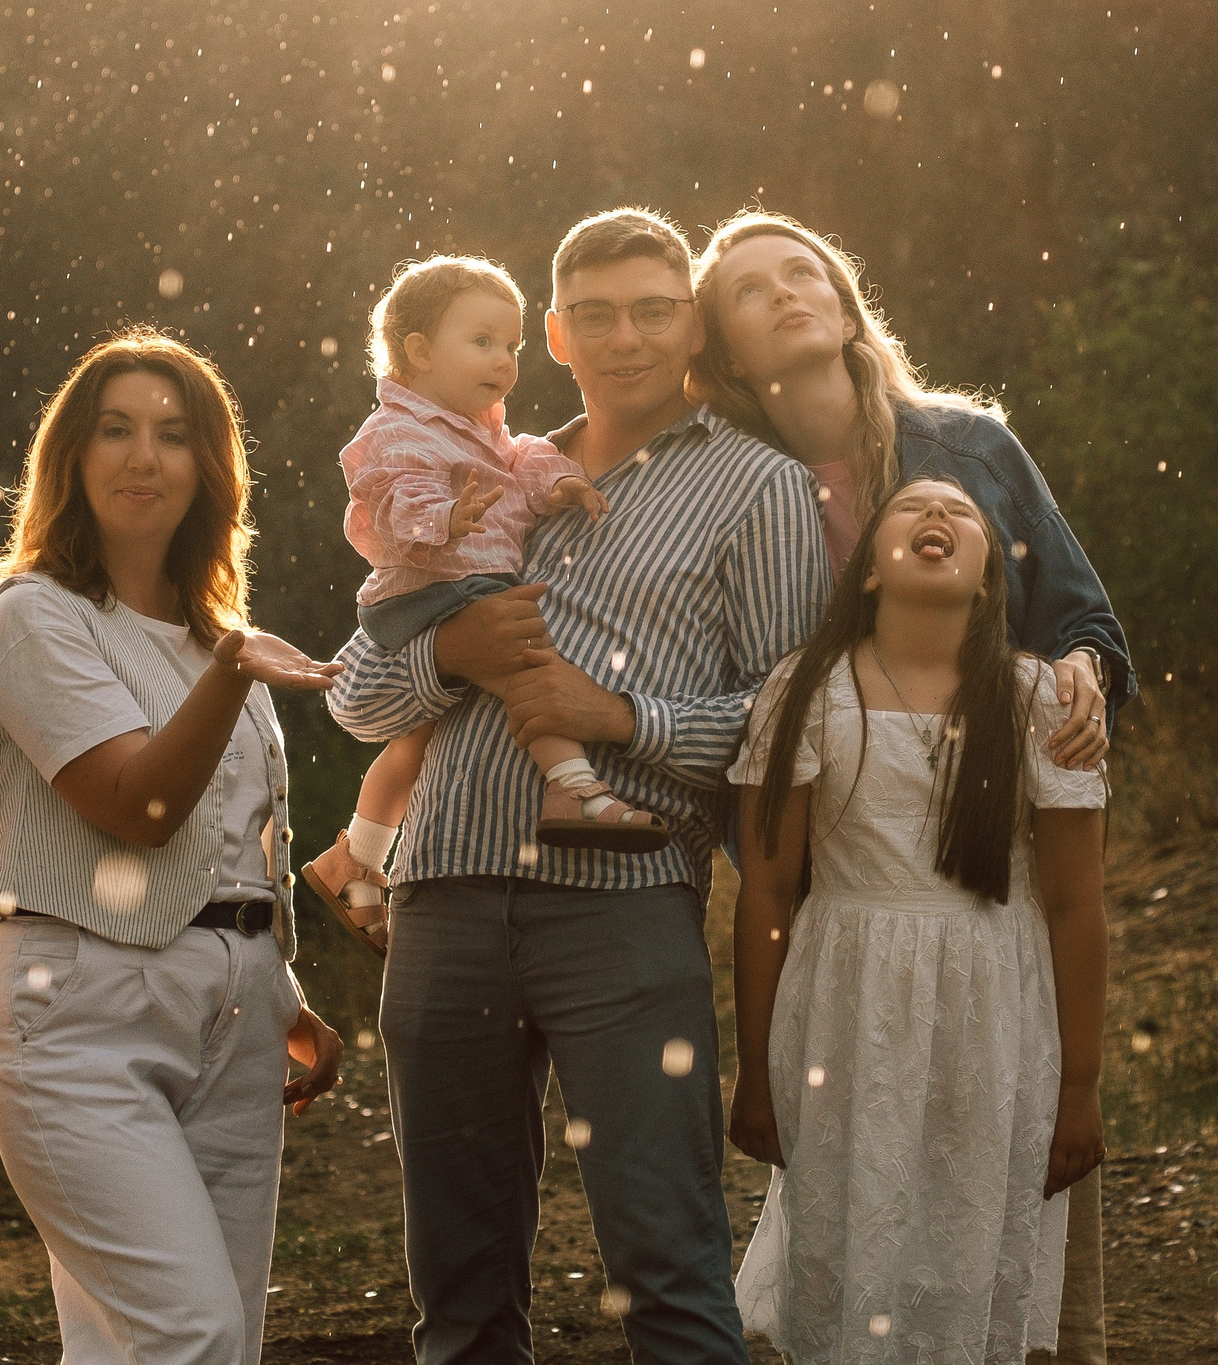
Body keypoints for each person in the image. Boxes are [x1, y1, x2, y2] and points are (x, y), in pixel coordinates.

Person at [327, 207, 832, 1363]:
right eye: (595, 316)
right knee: (457, 1300)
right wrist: (449, 655)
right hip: (443, 902)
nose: (626, 338)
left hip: (625, 902)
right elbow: (355, 696)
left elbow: (790, 725)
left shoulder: (757, 487)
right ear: (554, 335)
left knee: (668, 1271)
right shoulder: (480, 465)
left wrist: (619, 717)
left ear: (692, 324)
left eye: (653, 312)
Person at [689, 209, 1129, 1363]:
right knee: (866, 1191)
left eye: (804, 271)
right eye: (751, 290)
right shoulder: (728, 488)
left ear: (844, 303)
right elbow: (741, 699)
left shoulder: (965, 449)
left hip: (993, 870)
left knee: (1004, 1193)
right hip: (839, 899)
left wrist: (1083, 671)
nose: (787, 293)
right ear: (723, 350)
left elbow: (1079, 619)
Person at [0, 327, 346, 1363]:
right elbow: (139, 806)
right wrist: (234, 671)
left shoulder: (213, 629)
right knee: (188, 1331)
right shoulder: (33, 616)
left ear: (209, 466)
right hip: (76, 1009)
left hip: (235, 1017)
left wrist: (271, 984)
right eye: (115, 430)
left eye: (174, 435)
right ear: (72, 457)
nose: (145, 456)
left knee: (192, 1340)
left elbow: (226, 841)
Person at [728, 478, 1110, 1361]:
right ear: (868, 571)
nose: (938, 516)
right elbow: (768, 890)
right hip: (846, 1013)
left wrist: (1080, 1088)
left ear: (988, 580)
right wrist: (754, 1071)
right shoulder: (808, 688)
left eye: (963, 513)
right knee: (846, 1240)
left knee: (963, 1247)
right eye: (911, 507)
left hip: (993, 1018)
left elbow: (1076, 904)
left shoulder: (1037, 700)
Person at [301, 255, 635, 958]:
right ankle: (572, 787)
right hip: (431, 587)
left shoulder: (480, 426)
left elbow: (522, 458)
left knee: (417, 740)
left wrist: (561, 482)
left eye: (512, 345)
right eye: (482, 342)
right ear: (419, 350)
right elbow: (390, 498)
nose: (504, 361)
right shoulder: (395, 430)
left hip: (459, 585)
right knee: (527, 663)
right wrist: (444, 518)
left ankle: (355, 859)